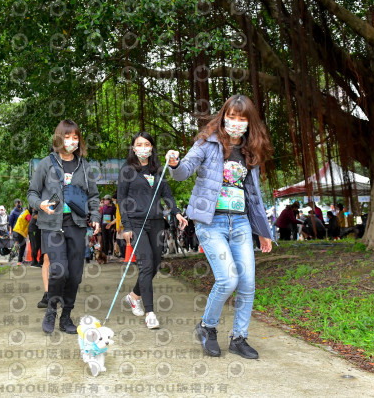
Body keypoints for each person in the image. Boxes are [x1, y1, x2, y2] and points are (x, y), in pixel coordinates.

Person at [166, 94, 273, 359]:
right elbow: (184, 171)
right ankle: (207, 327)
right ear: (224, 116)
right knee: (228, 279)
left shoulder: (250, 151)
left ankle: (239, 338)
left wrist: (263, 232)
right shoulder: (207, 142)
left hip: (240, 223)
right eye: (231, 116)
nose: (236, 122)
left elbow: (254, 195)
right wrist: (174, 163)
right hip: (211, 223)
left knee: (247, 283)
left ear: (249, 122)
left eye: (242, 118)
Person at [27, 119, 101, 334]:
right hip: (51, 225)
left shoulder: (84, 166)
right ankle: (51, 309)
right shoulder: (46, 164)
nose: (71, 141)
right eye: (67, 137)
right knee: (59, 271)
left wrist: (96, 216)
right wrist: (40, 204)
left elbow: (93, 196)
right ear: (59, 138)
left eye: (75, 137)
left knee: (75, 275)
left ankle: (66, 316)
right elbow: (32, 193)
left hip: (77, 225)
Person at [118, 131, 188, 329]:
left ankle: (133, 296)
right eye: (139, 144)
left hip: (156, 222)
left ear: (152, 147)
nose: (143, 148)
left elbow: (167, 194)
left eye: (147, 144)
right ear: (133, 148)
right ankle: (150, 313)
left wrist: (176, 212)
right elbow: (121, 199)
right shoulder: (127, 170)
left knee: (155, 264)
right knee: (146, 264)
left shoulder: (158, 169)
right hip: (136, 223)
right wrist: (126, 226)